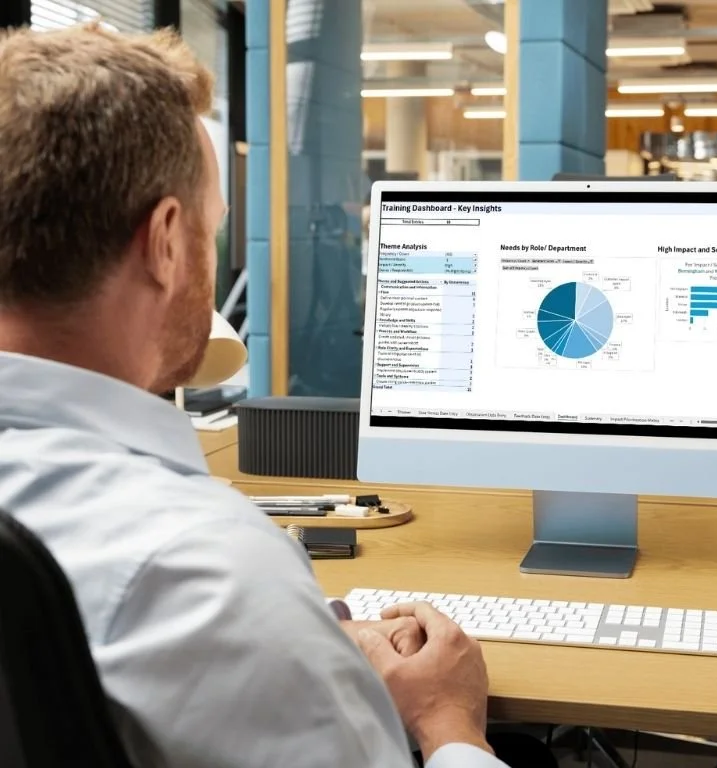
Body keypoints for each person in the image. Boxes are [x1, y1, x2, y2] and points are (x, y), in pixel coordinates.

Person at [0, 24, 522, 768]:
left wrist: (299, 642)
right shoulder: (207, 571)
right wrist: (450, 727)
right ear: (167, 242)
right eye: (215, 228)